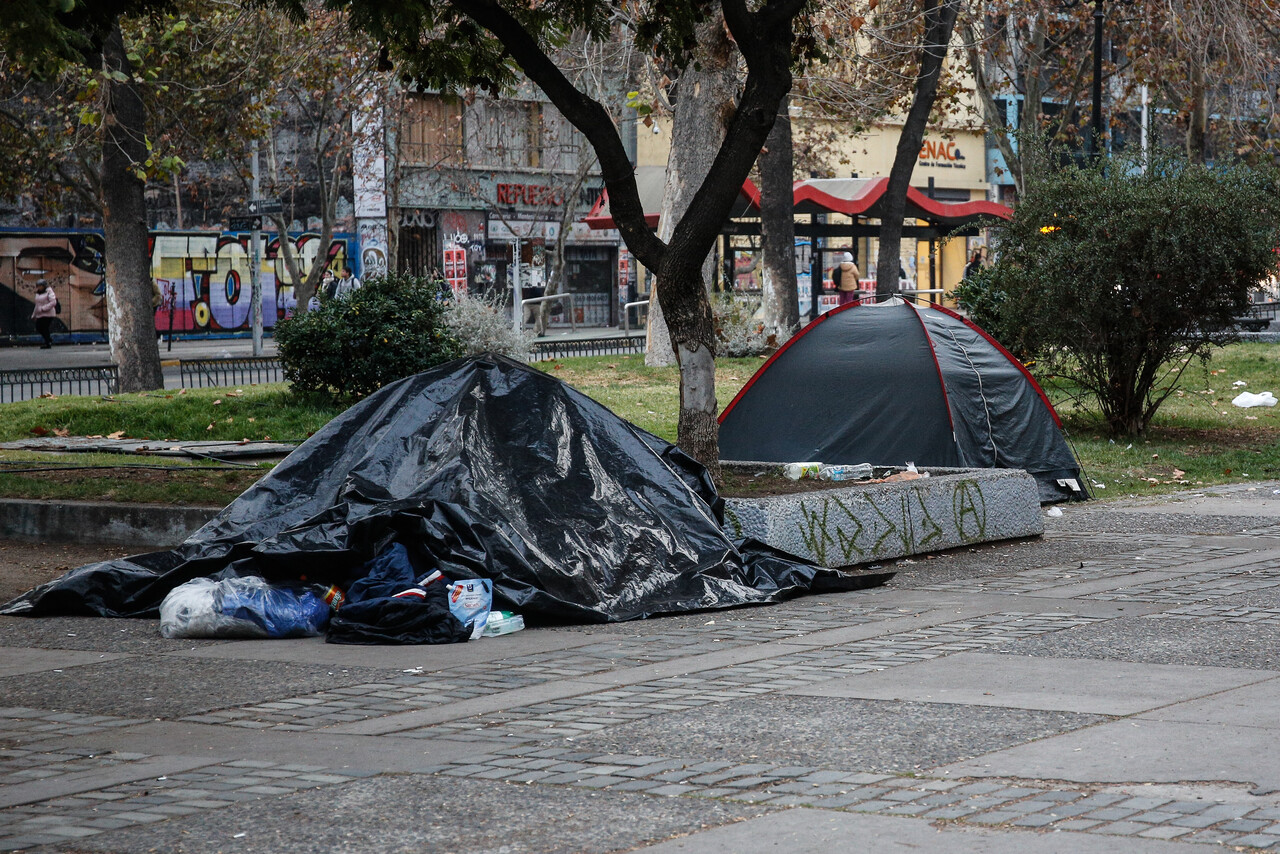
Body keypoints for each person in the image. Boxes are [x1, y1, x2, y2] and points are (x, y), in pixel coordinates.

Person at [31, 279, 58, 349]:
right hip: (40, 313)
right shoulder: (38, 293)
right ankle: (48, 339)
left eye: (40, 286)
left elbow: (53, 302)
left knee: (44, 327)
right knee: (39, 327)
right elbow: (37, 305)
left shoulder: (49, 292)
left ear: (44, 286)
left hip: (48, 313)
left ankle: (47, 343)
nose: (38, 287)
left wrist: (43, 308)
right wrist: (34, 314)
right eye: (37, 286)